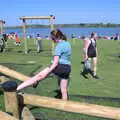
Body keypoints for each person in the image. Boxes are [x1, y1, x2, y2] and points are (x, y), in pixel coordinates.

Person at [17, 29, 71, 100]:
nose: (52, 39)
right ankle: (65, 106)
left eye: (52, 38)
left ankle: (16, 89)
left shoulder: (59, 46)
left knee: (37, 77)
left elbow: (55, 63)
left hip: (59, 66)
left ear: (55, 37)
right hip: (67, 68)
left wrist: (47, 73)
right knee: (63, 90)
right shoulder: (67, 43)